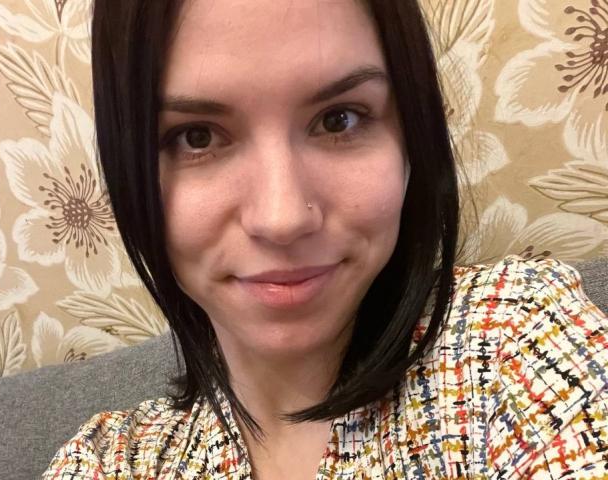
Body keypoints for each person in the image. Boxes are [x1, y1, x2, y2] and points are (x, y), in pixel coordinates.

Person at [42, 0, 608, 479]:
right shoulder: (109, 462)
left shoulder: (515, 344)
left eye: (339, 118)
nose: (283, 218)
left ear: (411, 138)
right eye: (197, 137)